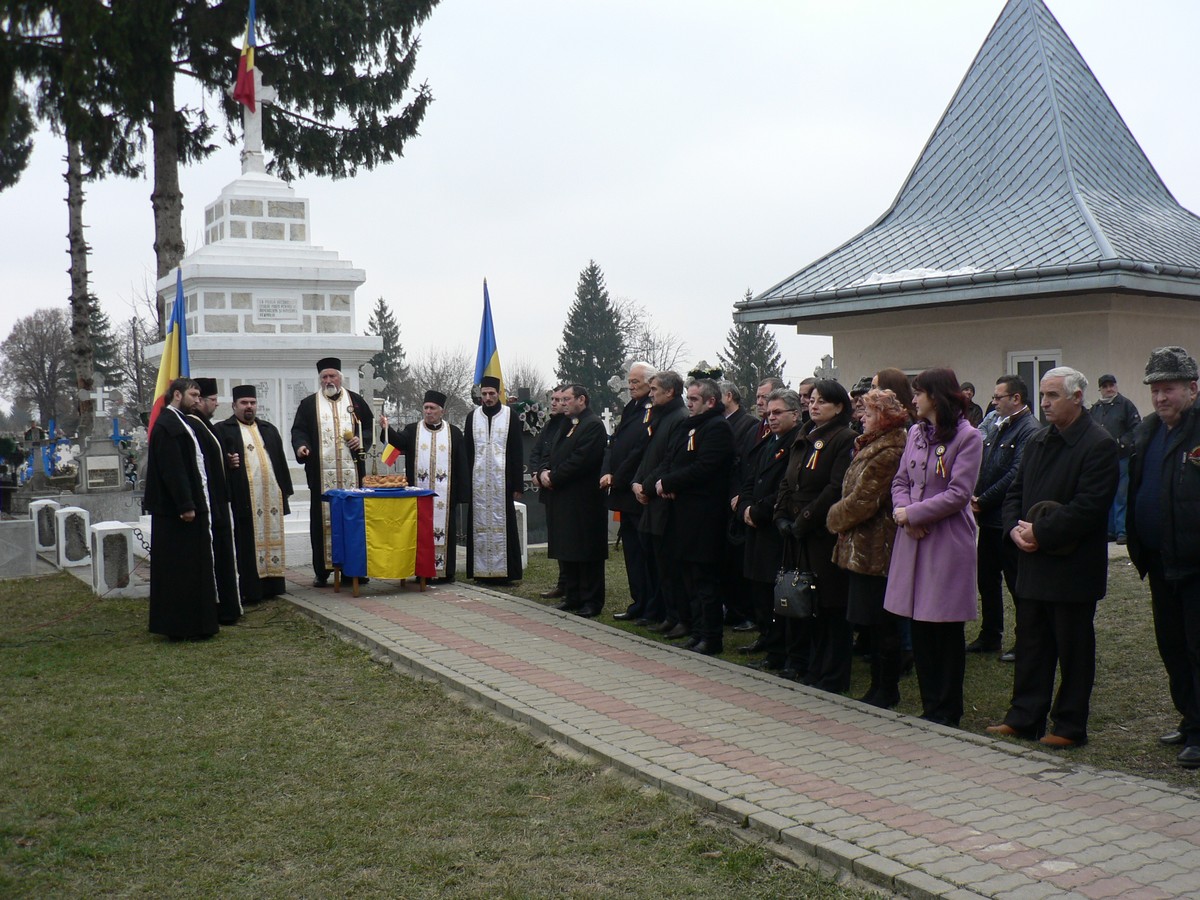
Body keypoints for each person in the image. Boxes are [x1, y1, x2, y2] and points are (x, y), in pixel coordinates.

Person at [989, 367, 1118, 748]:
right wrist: (1014, 528)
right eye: (1043, 396)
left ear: (1077, 397)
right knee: (1031, 643)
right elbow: (1016, 491)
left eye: (1053, 396)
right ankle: (1025, 716)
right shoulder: (1039, 441)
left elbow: (1089, 507)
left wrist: (1040, 532)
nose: (1044, 403)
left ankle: (1068, 725)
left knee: (1073, 649)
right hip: (1032, 561)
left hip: (1072, 566)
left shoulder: (1098, 443)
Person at [884, 368, 983, 727]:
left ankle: (947, 708)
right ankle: (930, 707)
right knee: (921, 625)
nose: (913, 399)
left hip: (945, 541)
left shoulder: (968, 437)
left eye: (919, 392)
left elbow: (958, 493)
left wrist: (914, 513)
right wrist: (904, 514)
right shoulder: (914, 432)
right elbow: (901, 480)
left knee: (944, 627)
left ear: (936, 395)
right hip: (913, 538)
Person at [1126, 347, 1200, 768]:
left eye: (1168, 389)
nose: (1159, 398)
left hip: (1195, 564)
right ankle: (1189, 717)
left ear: (1192, 387)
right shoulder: (1150, 430)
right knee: (1172, 646)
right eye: (1154, 390)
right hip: (1159, 561)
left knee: (1198, 648)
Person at [827, 388, 909, 708]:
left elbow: (865, 500)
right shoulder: (873, 444)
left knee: (882, 622)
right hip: (862, 544)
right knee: (871, 623)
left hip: (878, 547)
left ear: (885, 418)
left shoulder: (890, 449)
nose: (862, 418)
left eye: (869, 413)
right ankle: (878, 685)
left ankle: (887, 688)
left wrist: (833, 518)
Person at [775, 380, 856, 689]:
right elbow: (788, 479)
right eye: (812, 400)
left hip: (823, 533)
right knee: (808, 603)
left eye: (823, 401)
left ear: (838, 407)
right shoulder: (805, 435)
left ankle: (834, 674)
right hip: (798, 533)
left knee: (830, 604)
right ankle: (814, 667)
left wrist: (805, 520)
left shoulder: (844, 438)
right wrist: (781, 515)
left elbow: (835, 488)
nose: (814, 405)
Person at [652, 378, 735, 655]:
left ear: (711, 401)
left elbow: (704, 468)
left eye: (695, 399)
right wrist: (665, 481)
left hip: (704, 517)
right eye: (688, 397)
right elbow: (673, 461)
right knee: (689, 577)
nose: (689, 402)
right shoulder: (690, 425)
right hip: (683, 515)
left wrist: (671, 483)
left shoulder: (717, 427)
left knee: (705, 580)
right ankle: (697, 630)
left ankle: (711, 638)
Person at [144, 378, 219, 640]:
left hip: (190, 507)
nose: (198, 400)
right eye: (194, 395)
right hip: (176, 513)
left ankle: (198, 623)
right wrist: (186, 505)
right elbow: (172, 470)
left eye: (199, 396)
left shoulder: (182, 421)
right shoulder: (167, 425)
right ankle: (181, 626)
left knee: (193, 567)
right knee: (180, 570)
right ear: (177, 394)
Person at [968, 375, 1038, 655]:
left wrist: (983, 499)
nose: (994, 402)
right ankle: (990, 634)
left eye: (999, 397)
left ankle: (1025, 640)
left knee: (1015, 582)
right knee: (987, 579)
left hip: (1006, 518)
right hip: (988, 519)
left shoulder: (1028, 429)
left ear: (1016, 399)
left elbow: (1016, 473)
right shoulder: (999, 426)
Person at [290, 358, 374, 587]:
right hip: (321, 477)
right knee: (321, 522)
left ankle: (354, 570)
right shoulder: (309, 404)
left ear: (340, 378)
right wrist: (301, 446)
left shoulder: (355, 402)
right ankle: (322, 571)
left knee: (354, 520)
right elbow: (299, 430)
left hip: (352, 475)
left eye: (332, 376)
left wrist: (362, 439)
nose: (328, 381)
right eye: (324, 377)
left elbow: (370, 427)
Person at [736, 388, 803, 669]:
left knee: (779, 596)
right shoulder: (767, 443)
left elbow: (785, 489)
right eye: (769, 412)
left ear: (796, 415)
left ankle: (781, 652)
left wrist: (759, 511)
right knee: (760, 590)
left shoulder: (797, 444)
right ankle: (769, 643)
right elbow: (750, 480)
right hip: (756, 526)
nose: (771, 417)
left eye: (778, 413)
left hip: (776, 528)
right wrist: (745, 508)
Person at [379, 390, 469, 582]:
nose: (428, 412)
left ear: (441, 411)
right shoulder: (413, 430)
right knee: (420, 532)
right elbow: (397, 441)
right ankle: (422, 571)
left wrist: (462, 494)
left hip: (446, 496)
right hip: (418, 495)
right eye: (426, 408)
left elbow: (462, 463)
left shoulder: (453, 432)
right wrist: (387, 428)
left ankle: (446, 572)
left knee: (446, 531)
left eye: (432, 408)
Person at [217, 384, 294, 603]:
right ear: (234, 405)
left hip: (271, 497)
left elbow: (279, 461)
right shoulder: (224, 429)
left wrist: (285, 491)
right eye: (244, 403)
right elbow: (215, 461)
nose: (249, 407)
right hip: (244, 498)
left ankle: (274, 585)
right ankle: (252, 589)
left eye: (252, 402)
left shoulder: (268, 429)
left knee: (272, 538)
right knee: (247, 543)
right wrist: (227, 461)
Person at [540, 384, 608, 616]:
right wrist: (544, 471)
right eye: (562, 399)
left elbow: (580, 460)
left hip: (584, 500)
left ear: (582, 400)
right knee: (569, 549)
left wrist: (554, 477)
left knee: (586, 551)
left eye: (568, 399)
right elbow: (553, 453)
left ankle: (591, 601)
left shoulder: (593, 426)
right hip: (563, 498)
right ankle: (573, 595)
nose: (563, 403)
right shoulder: (568, 424)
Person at [632, 371, 689, 630]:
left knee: (670, 566)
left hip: (664, 502)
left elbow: (669, 460)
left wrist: (645, 487)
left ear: (670, 392)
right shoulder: (661, 416)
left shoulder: (678, 419)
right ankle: (667, 614)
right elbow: (648, 456)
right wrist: (636, 482)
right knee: (657, 564)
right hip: (651, 499)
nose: (650, 393)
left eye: (655, 390)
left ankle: (678, 616)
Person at [186, 377, 241, 625]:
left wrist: (227, 464)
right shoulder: (194, 425)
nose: (215, 404)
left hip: (220, 499)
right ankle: (222, 607)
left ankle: (229, 606)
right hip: (211, 502)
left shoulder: (206, 425)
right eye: (213, 400)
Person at [604, 364, 656, 621]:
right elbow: (615, 443)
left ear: (650, 383)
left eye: (636, 382)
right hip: (623, 492)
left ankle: (650, 605)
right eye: (630, 381)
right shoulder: (630, 407)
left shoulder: (651, 408)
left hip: (636, 489)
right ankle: (638, 602)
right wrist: (608, 471)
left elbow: (640, 449)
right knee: (632, 553)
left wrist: (619, 477)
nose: (631, 386)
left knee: (645, 554)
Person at [464, 375, 524, 581]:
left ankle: (506, 573)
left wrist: (517, 483)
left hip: (502, 482)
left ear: (499, 394)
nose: (488, 398)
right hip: (478, 483)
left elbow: (517, 451)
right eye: (484, 394)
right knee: (478, 525)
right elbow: (467, 452)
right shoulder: (472, 417)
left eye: (491, 394)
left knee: (504, 524)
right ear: (480, 395)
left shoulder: (510, 416)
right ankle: (479, 572)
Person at [1090, 374, 1141, 544]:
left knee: (1121, 495)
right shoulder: (1095, 408)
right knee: (1106, 494)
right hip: (1102, 460)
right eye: (1105, 386)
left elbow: (1136, 428)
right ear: (1100, 389)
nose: (1109, 389)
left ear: (1116, 386)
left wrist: (1123, 442)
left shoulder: (1126, 405)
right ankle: (1109, 531)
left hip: (1122, 457)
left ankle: (1122, 531)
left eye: (1111, 385)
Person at [530, 385, 568, 599]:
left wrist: (548, 474)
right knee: (556, 538)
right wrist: (536, 472)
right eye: (552, 399)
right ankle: (562, 582)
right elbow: (537, 452)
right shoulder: (549, 425)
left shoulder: (570, 425)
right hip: (547, 488)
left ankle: (568, 583)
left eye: (559, 399)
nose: (553, 403)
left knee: (565, 539)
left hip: (560, 487)